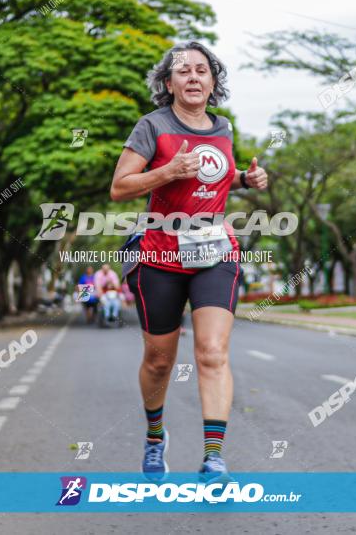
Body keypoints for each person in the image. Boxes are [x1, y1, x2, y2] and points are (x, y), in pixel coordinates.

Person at [110, 42, 267, 484]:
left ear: (214, 82)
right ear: (168, 83)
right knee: (160, 359)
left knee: (212, 352)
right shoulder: (152, 126)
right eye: (184, 72)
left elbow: (216, 175)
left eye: (202, 70)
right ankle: (156, 436)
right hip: (159, 252)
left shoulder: (224, 128)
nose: (194, 77)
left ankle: (214, 456)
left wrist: (245, 179)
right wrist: (167, 172)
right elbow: (120, 187)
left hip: (213, 250)